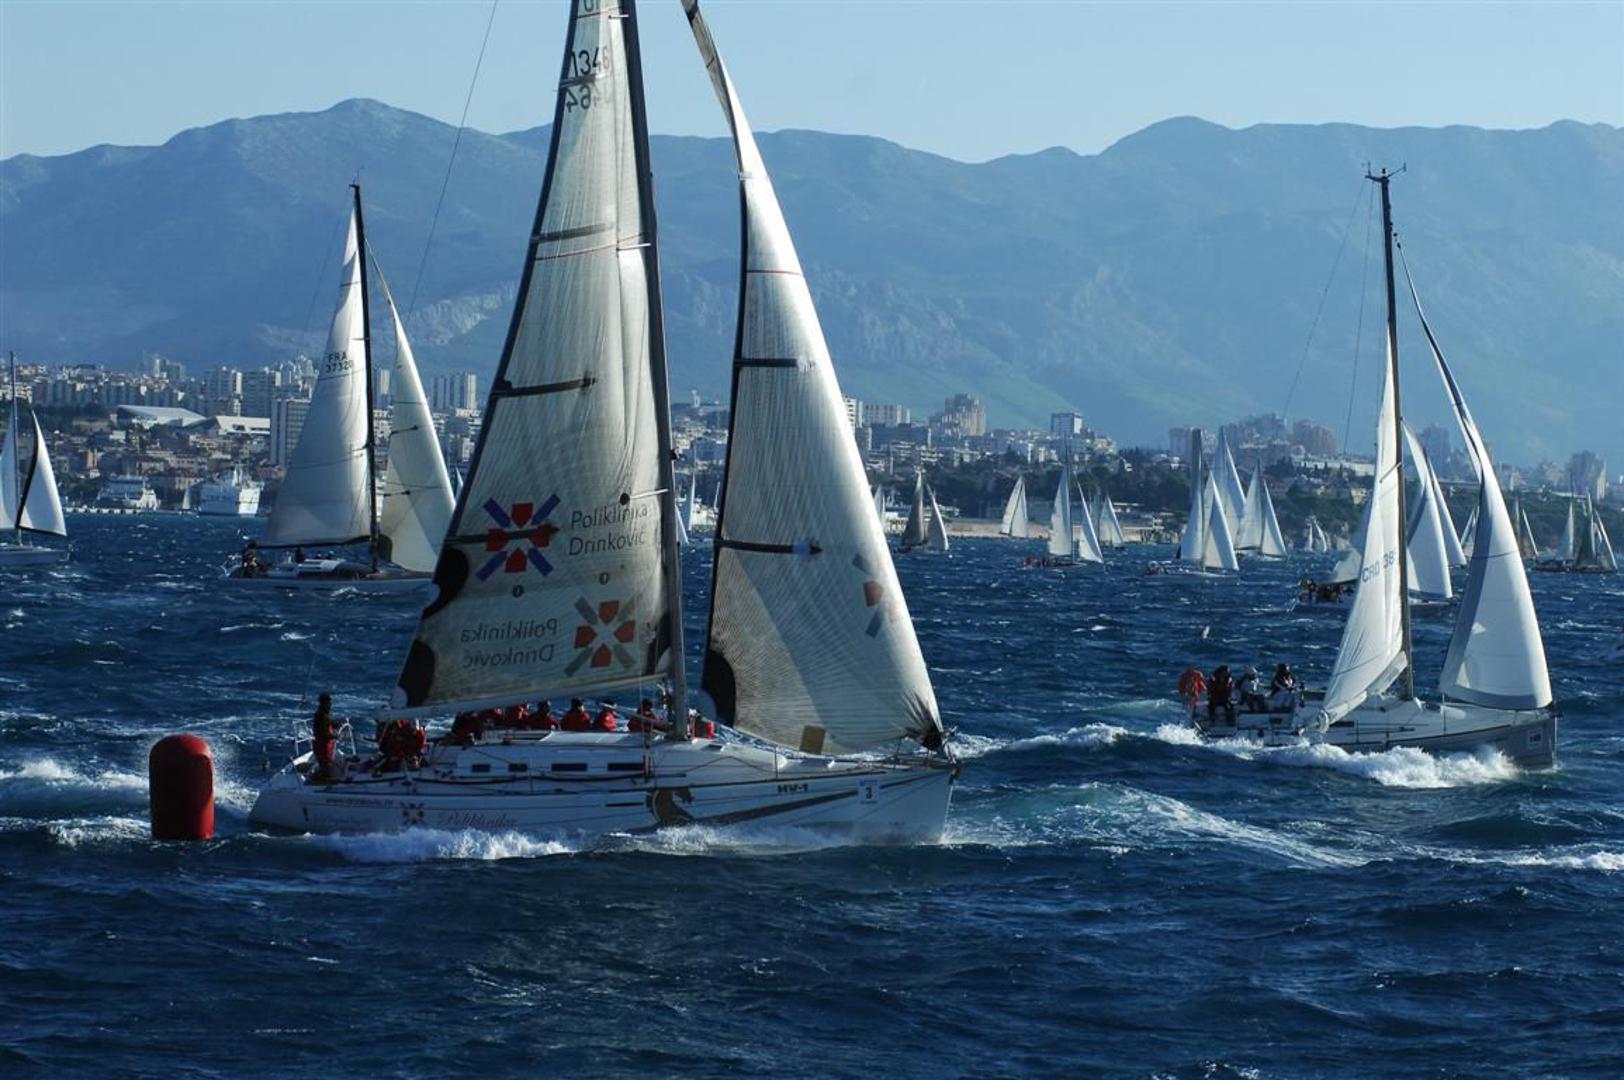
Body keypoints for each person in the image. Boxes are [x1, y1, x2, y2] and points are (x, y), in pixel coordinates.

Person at [310, 693, 340, 778]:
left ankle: (322, 777)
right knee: (325, 767)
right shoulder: (322, 716)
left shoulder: (324, 714)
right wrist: (335, 736)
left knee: (327, 764)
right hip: (322, 745)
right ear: (325, 703)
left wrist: (336, 725)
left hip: (325, 744)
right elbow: (323, 733)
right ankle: (321, 781)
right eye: (329, 703)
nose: (331, 705)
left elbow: (329, 723)